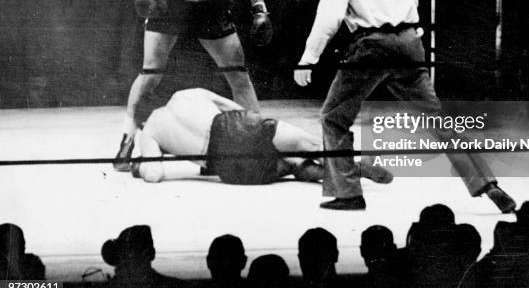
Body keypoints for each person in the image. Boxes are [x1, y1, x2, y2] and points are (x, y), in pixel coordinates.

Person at [294, 0, 516, 211]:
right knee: (438, 120)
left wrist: (309, 57)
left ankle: (347, 193)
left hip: (372, 44)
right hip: (410, 42)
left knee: (333, 117)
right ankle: (487, 184)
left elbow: (329, 15)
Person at [114, 0, 273, 171]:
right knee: (151, 72)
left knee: (238, 74)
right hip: (172, 0)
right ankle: (127, 140)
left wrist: (260, 9)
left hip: (210, 6)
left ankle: (255, 142)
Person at [129, 88, 393, 186]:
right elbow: (238, 109)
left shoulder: (150, 129)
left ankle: (344, 170)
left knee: (292, 165)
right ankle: (349, 164)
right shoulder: (186, 94)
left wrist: (140, 165)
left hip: (229, 168)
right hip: (237, 126)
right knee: (309, 145)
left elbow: (154, 175)